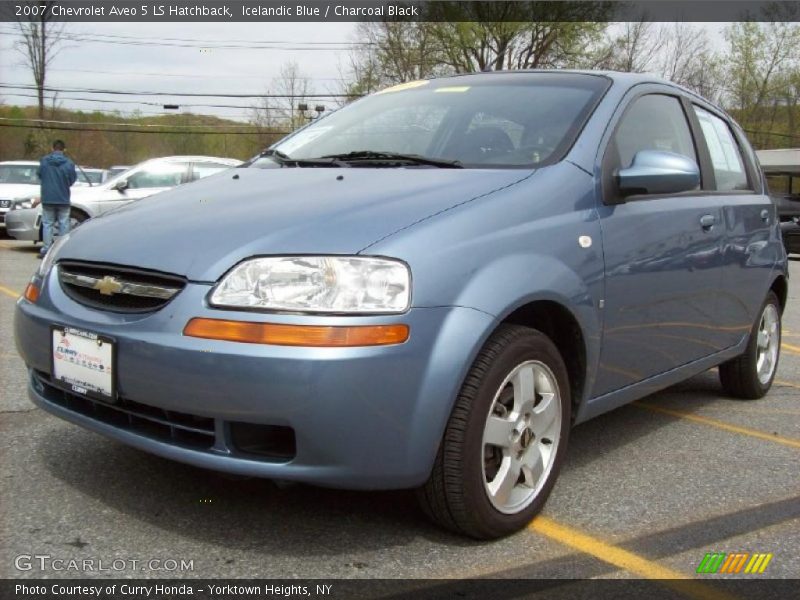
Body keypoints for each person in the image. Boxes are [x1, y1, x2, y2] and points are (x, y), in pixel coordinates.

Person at [37, 139, 77, 258]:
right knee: (64, 223)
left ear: (52, 148)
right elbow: (72, 180)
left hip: (48, 197)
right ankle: (61, 250)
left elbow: (40, 175)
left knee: (47, 224)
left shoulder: (44, 161)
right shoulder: (69, 163)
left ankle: (46, 250)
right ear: (64, 150)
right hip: (63, 198)